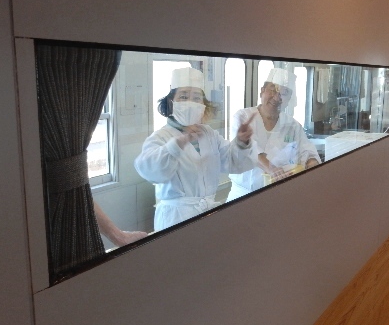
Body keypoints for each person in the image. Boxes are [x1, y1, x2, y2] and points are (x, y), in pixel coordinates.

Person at [134, 67, 256, 231]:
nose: (191, 103)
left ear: (203, 105)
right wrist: (175, 147)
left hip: (208, 213)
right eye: (183, 97)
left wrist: (241, 142)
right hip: (176, 219)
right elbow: (149, 170)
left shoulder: (208, 134)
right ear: (171, 102)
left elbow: (231, 161)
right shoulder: (161, 137)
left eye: (197, 98)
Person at [226, 68, 321, 201]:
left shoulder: (293, 125)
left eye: (284, 93)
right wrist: (271, 169)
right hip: (243, 195)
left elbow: (306, 150)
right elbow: (248, 150)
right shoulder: (243, 117)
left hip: (279, 193)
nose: (277, 97)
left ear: (288, 99)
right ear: (262, 91)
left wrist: (312, 164)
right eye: (272, 90)